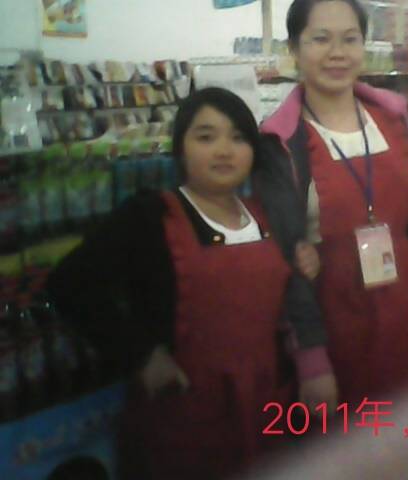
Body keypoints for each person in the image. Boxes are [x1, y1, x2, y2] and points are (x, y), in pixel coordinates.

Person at [46, 87, 332, 479]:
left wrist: (306, 262)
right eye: (206, 137)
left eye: (238, 138)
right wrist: (141, 354)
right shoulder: (150, 217)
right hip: (183, 422)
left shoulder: (265, 216)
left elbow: (287, 298)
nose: (224, 150)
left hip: (264, 406)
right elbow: (70, 283)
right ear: (181, 148)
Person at [260, 0, 408, 406]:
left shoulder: (395, 119)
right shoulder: (281, 142)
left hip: (405, 315)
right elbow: (285, 258)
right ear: (294, 48)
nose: (337, 53)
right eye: (321, 39)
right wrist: (311, 359)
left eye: (350, 39)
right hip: (335, 334)